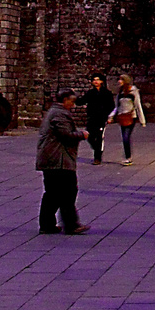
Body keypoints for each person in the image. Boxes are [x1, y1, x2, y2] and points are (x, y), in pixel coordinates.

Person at [36, 88, 90, 235]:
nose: (72, 105)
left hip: (51, 158)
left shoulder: (54, 111)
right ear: (65, 100)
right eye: (71, 102)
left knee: (52, 193)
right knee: (68, 191)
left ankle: (47, 224)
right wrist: (82, 135)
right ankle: (71, 224)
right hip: (58, 159)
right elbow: (65, 134)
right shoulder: (60, 114)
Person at [76, 73, 115, 164]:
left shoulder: (106, 93)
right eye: (94, 80)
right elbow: (81, 101)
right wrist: (74, 97)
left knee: (99, 136)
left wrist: (109, 116)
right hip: (92, 117)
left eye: (97, 80)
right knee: (89, 136)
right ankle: (97, 149)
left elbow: (111, 106)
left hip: (101, 118)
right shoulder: (90, 93)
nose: (96, 82)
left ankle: (97, 157)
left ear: (101, 81)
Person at [108, 74, 146, 165]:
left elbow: (138, 105)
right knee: (124, 137)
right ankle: (127, 156)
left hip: (131, 117)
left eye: (121, 80)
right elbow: (117, 106)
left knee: (126, 137)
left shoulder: (133, 92)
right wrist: (111, 116)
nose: (119, 81)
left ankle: (128, 157)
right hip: (122, 117)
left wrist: (142, 120)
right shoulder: (120, 93)